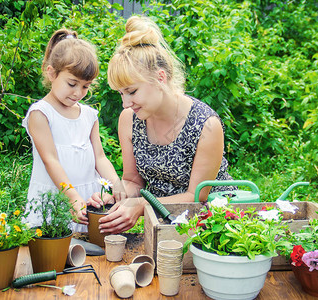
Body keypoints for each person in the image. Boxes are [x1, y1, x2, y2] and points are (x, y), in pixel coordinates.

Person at [90, 16, 235, 234]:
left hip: (214, 222)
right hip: (159, 222)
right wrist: (114, 196)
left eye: (131, 91)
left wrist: (141, 205)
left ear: (160, 77)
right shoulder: (129, 119)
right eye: (121, 93)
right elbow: (132, 180)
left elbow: (197, 196)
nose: (125, 103)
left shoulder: (206, 125)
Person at [22, 29, 125, 233]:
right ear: (51, 73)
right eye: (72, 84)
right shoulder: (41, 113)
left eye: (86, 86)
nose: (78, 93)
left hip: (87, 198)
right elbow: (50, 160)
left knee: (89, 253)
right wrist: (72, 196)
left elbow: (100, 157)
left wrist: (116, 183)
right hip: (57, 196)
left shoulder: (89, 115)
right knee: (53, 251)